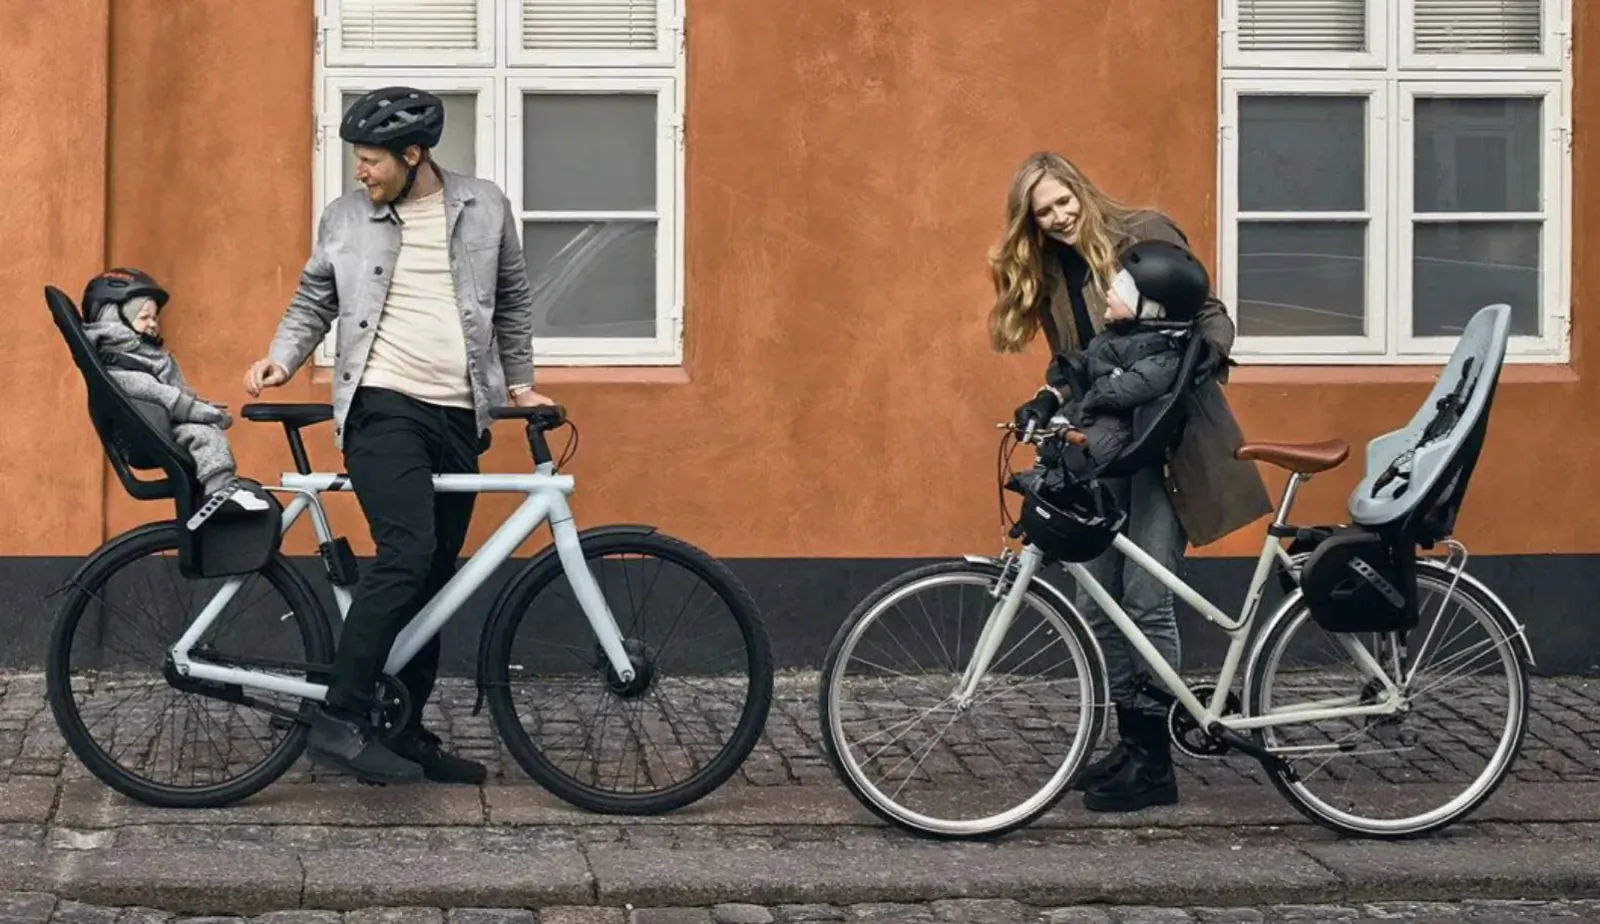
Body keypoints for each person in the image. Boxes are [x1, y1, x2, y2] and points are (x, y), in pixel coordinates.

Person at [241, 86, 557, 786]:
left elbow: (512, 300)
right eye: (358, 158)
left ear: (414, 156)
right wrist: (282, 356)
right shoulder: (346, 218)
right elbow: (314, 299)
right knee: (407, 552)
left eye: (372, 160)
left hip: (459, 413)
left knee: (433, 578)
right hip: (383, 407)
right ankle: (341, 718)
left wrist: (521, 385)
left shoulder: (484, 206)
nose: (360, 171)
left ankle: (403, 728)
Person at [991, 151, 1273, 813]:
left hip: (1169, 446)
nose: (1060, 217)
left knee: (1144, 597)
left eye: (1064, 202)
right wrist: (1045, 399)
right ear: (1030, 223)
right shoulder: (1055, 273)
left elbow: (1208, 313)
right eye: (1044, 212)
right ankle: (1135, 744)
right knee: (1099, 606)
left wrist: (1191, 365)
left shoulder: (1142, 235)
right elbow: (1076, 363)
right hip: (1111, 450)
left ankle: (1157, 766)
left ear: (1081, 191)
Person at [82, 268, 270, 516]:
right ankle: (221, 492)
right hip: (147, 432)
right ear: (114, 320)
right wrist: (199, 411)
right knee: (205, 435)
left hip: (159, 425)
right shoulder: (118, 366)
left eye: (155, 317)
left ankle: (218, 491)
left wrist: (201, 405)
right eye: (143, 317)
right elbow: (158, 393)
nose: (153, 324)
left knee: (207, 434)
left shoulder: (141, 355)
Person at [1043, 241, 1195, 473]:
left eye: (1120, 289)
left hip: (1111, 435)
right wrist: (1062, 374)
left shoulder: (1162, 357)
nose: (1109, 291)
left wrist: (1092, 395)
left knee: (1072, 469)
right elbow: (1088, 360)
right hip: (1086, 421)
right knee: (1047, 466)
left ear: (1149, 307)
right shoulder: (1114, 336)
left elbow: (1127, 389)